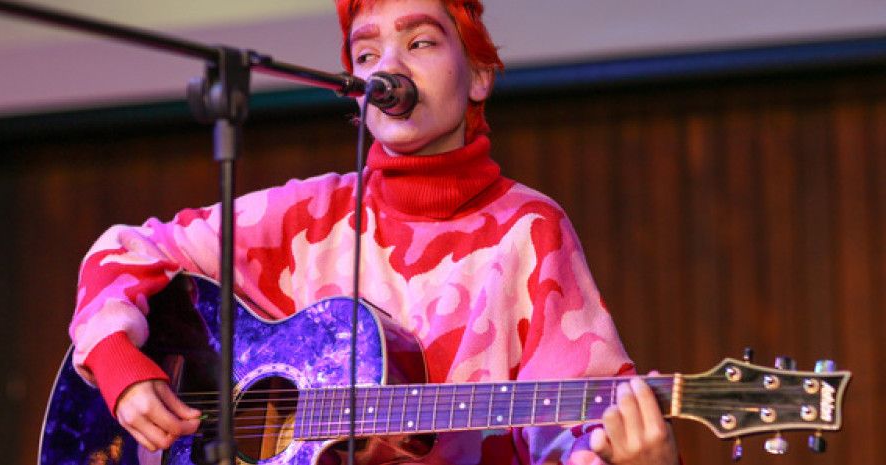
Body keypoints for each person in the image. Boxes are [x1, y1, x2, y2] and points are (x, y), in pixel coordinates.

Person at [68, 0, 680, 464]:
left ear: (480, 77)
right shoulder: (305, 214)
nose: (387, 66)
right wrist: (121, 366)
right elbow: (124, 251)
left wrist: (631, 456)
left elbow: (574, 428)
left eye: (419, 42)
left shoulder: (528, 230)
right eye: (366, 57)